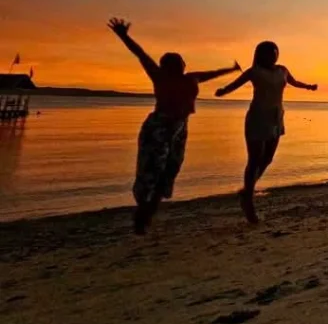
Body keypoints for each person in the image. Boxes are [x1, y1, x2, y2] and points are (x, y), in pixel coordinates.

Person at [107, 17, 240, 235]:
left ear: (183, 65)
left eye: (179, 62)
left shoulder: (192, 78)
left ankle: (149, 211)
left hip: (180, 128)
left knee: (171, 169)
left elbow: (212, 73)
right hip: (159, 127)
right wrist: (123, 36)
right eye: (171, 63)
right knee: (151, 170)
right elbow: (140, 54)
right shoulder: (159, 76)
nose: (177, 65)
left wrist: (231, 69)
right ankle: (143, 213)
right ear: (164, 66)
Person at [215, 41, 317, 223]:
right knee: (254, 160)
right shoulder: (254, 71)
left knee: (268, 158)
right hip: (257, 117)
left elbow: (293, 82)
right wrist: (223, 91)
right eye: (269, 53)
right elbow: (235, 84)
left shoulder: (282, 70)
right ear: (260, 55)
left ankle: (247, 191)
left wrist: (308, 86)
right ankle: (249, 202)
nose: (273, 56)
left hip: (276, 118)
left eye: (275, 53)